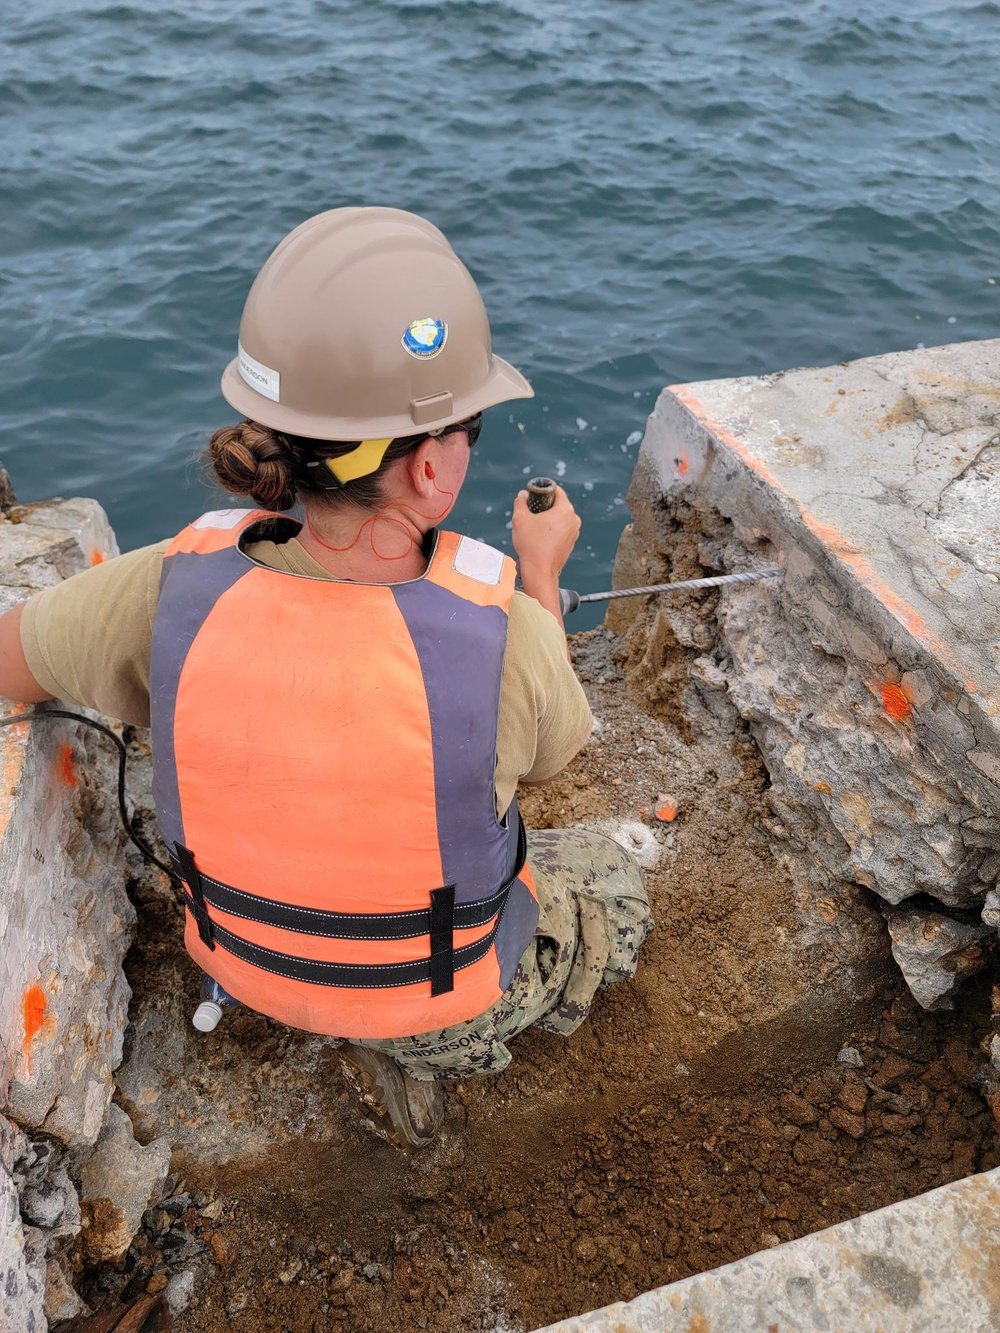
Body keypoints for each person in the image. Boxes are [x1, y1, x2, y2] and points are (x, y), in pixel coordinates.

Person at [0, 207, 652, 1149]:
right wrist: (541, 573)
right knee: (613, 882)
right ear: (433, 467)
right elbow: (555, 757)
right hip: (438, 999)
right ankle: (426, 1044)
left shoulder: (167, 586)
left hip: (247, 964)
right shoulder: (504, 629)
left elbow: (13, 654)